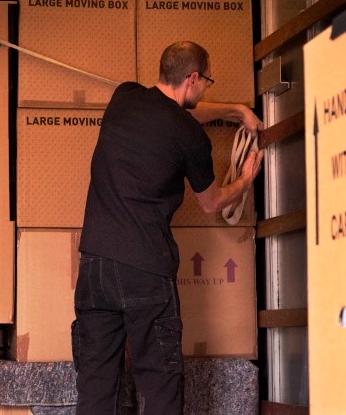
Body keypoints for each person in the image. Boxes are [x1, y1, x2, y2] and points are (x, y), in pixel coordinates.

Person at [73, 41, 264, 414]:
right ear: (192, 78)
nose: (207, 87)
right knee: (160, 386)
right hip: (145, 269)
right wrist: (244, 179)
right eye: (206, 80)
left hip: (94, 267)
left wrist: (238, 111)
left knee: (95, 388)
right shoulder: (190, 136)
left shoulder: (124, 97)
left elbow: (176, 111)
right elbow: (211, 202)